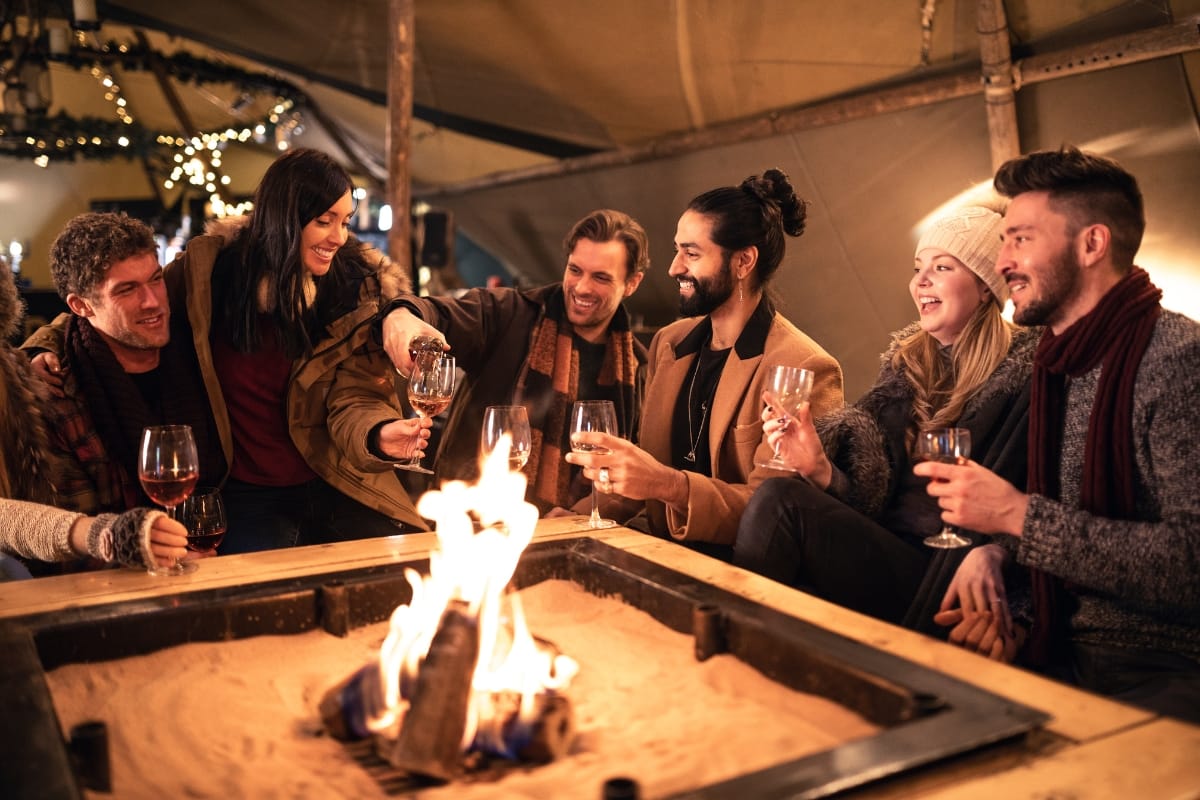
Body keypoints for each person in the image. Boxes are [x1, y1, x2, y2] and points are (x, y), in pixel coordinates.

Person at [915, 145, 1200, 720]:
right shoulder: (1056, 363)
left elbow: (1191, 564)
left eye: (1021, 238)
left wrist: (1016, 517)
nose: (1002, 262)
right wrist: (1003, 574)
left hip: (1164, 666)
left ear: (1091, 244)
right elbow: (1074, 529)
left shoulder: (1177, 360)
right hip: (1061, 647)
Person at [732, 203, 1037, 647]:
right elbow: (871, 503)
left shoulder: (1024, 379)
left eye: (943, 266)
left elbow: (1045, 499)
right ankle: (748, 643)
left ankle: (734, 638)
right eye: (918, 268)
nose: (921, 281)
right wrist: (821, 469)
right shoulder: (906, 370)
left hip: (953, 575)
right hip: (893, 555)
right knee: (781, 494)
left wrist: (999, 555)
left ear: (987, 287)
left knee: (781, 502)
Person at [162, 148, 431, 552]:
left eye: (345, 221)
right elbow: (119, 309)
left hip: (335, 480)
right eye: (324, 221)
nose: (339, 238)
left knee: (400, 575)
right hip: (244, 496)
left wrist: (377, 435)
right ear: (283, 218)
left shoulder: (354, 288)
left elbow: (356, 393)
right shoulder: (207, 273)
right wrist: (44, 345)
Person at [566, 169, 843, 546]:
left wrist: (670, 485)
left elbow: (773, 515)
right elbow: (642, 475)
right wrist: (575, 519)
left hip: (743, 576)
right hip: (663, 554)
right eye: (678, 249)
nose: (674, 267)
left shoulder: (803, 366)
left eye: (691, 253)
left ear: (744, 262)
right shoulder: (670, 342)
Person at [379, 209, 649, 513]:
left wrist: (580, 515)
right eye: (575, 270)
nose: (582, 287)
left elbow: (634, 470)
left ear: (632, 283)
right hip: (474, 521)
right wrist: (401, 315)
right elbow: (438, 313)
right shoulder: (511, 314)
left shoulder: (638, 367)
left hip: (575, 535)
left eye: (600, 277)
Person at [24, 212, 227, 516]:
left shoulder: (200, 347)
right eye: (126, 290)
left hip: (215, 535)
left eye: (155, 279)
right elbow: (72, 529)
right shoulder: (58, 393)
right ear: (81, 305)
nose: (153, 301)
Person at [0, 263, 187, 575]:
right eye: (127, 289)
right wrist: (102, 534)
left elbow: (93, 311)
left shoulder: (16, 370)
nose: (150, 300)